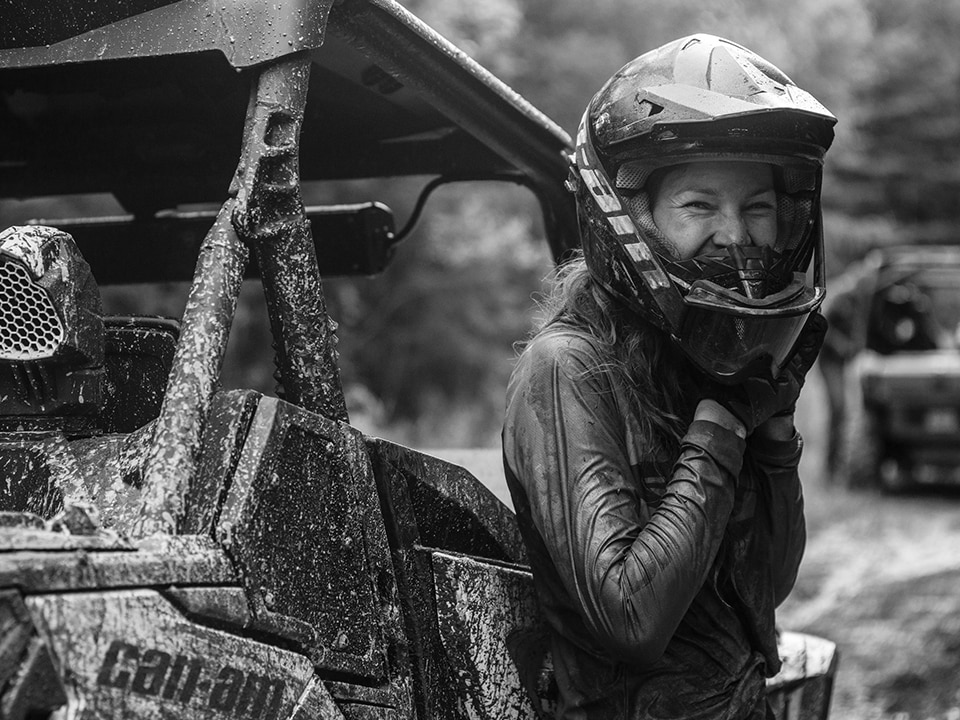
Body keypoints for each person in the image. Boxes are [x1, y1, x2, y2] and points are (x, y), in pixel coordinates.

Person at [502, 34, 835, 720]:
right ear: (632, 214)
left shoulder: (700, 364)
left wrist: (772, 439)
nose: (735, 235)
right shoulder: (569, 369)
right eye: (699, 205)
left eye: (758, 208)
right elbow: (631, 617)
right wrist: (722, 426)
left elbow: (764, 589)